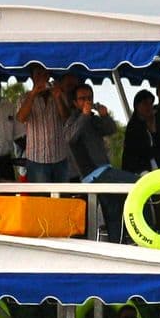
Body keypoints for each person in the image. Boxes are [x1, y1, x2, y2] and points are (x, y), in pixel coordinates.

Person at [66, 82, 134, 237]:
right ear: (75, 103)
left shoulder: (93, 119)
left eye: (89, 98)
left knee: (113, 210)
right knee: (138, 183)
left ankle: (117, 243)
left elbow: (111, 130)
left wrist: (105, 115)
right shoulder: (73, 120)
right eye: (82, 98)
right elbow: (71, 137)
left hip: (104, 171)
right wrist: (84, 114)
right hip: (93, 173)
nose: (87, 101)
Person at [16, 65, 69, 182]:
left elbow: (66, 118)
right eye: (38, 74)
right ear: (32, 77)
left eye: (45, 74)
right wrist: (33, 94)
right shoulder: (24, 97)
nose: (42, 78)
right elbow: (20, 118)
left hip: (59, 157)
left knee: (62, 199)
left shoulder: (59, 94)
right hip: (36, 160)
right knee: (41, 199)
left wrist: (58, 98)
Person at [120, 89, 160, 173]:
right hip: (137, 171)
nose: (149, 107)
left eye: (150, 104)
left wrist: (153, 130)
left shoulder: (152, 124)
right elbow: (141, 151)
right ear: (137, 106)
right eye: (145, 104)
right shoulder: (133, 127)